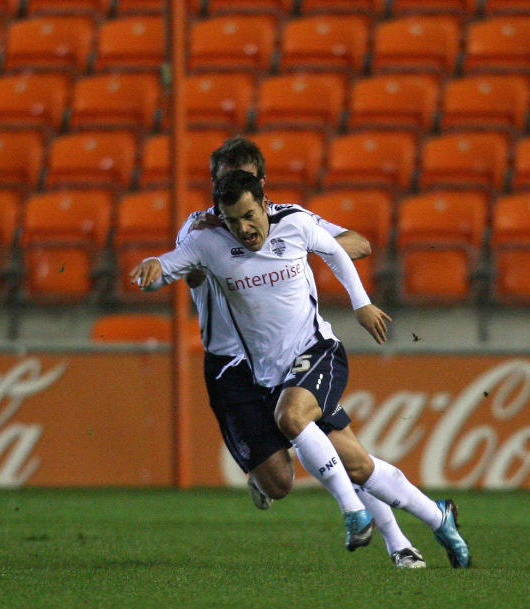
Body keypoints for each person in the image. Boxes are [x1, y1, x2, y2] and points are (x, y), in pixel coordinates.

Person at [132, 170, 471, 569]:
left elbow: (339, 250)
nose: (244, 228)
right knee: (357, 464)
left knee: (291, 416)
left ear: (263, 203)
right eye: (233, 220)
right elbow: (168, 266)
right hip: (267, 373)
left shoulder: (293, 224)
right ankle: (437, 516)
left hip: (318, 352)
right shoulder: (208, 243)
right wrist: (152, 269)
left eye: (249, 215)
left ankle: (356, 515)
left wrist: (360, 304)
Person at [176, 136, 425, 568]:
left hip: (290, 353)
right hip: (231, 364)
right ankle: (263, 472)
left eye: (244, 185)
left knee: (347, 455)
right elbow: (190, 273)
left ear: (262, 188)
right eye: (222, 185)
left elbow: (360, 244)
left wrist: (292, 247)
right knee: (279, 483)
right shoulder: (198, 230)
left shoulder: (287, 222)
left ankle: (398, 541)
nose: (232, 197)